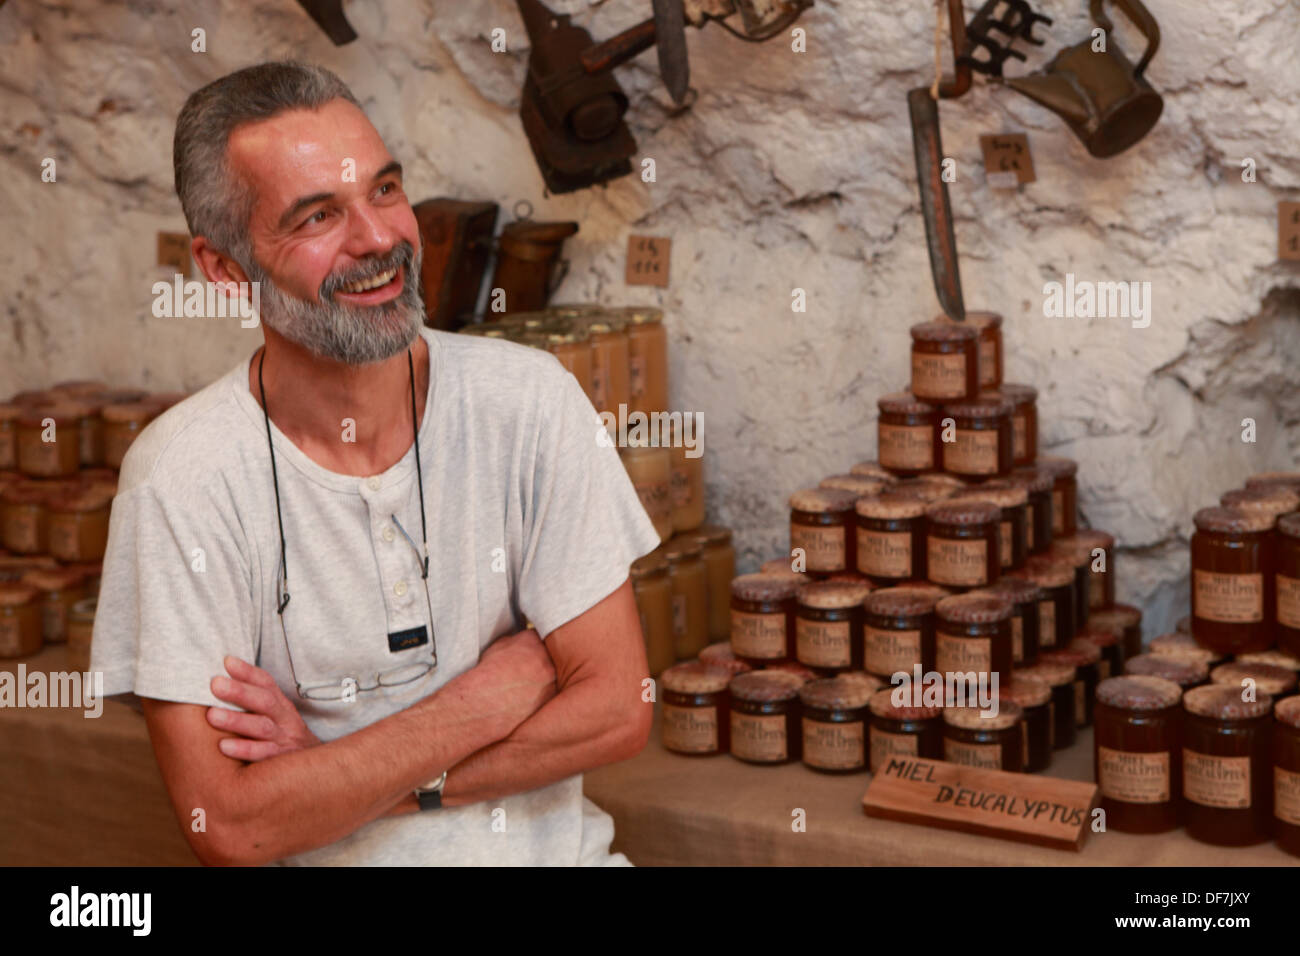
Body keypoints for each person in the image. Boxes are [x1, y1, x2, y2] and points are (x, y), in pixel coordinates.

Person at [90, 61, 661, 866]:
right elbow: (231, 825)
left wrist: (345, 780)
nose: (379, 240)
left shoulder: (526, 400)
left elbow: (616, 711)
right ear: (223, 269)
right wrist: (485, 699)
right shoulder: (181, 480)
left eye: (385, 191)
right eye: (318, 216)